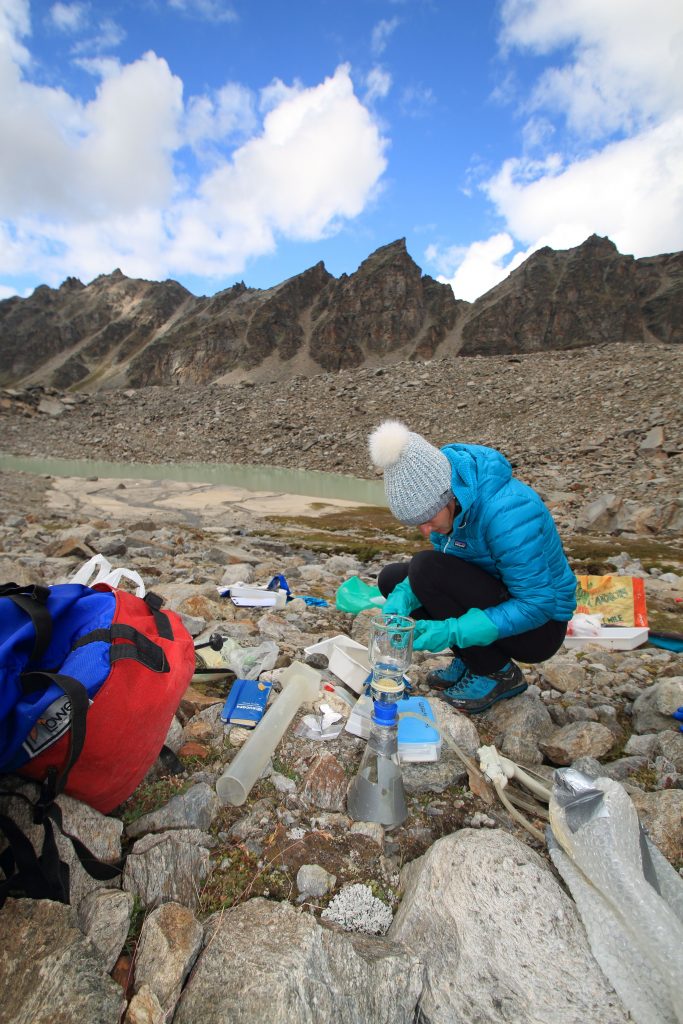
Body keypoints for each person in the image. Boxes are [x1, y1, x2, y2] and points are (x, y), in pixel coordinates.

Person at [368, 420, 577, 713]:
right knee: (394, 579)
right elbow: (448, 572)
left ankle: (497, 672)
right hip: (501, 601)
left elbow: (537, 604)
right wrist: (401, 600)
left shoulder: (507, 512)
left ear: (448, 495)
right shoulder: (453, 504)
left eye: (428, 520)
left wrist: (451, 631)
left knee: (424, 567)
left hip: (540, 628)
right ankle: (472, 659)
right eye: (418, 524)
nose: (427, 532)